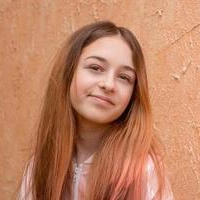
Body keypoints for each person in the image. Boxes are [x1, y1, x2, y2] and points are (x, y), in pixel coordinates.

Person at [17, 21, 174, 200]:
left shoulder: (144, 171)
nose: (108, 84)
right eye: (95, 68)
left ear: (133, 95)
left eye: (124, 77)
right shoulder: (38, 167)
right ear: (68, 73)